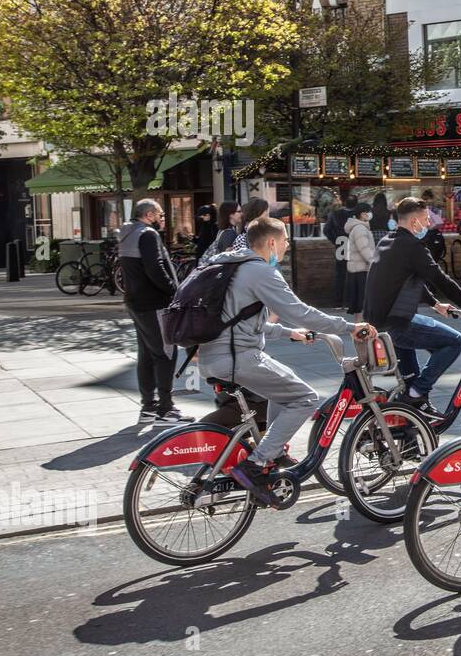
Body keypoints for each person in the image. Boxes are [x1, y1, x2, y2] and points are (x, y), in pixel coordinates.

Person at [199, 217, 376, 505]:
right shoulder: (259, 270)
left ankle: (274, 452)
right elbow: (301, 311)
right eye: (283, 242)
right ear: (271, 242)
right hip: (237, 357)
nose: (285, 248)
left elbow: (242, 323)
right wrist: (348, 327)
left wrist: (288, 333)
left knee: (282, 382)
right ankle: (255, 465)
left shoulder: (228, 264)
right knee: (306, 397)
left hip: (215, 355)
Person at [364, 197, 461, 418]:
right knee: (455, 341)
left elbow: (408, 279)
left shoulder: (388, 241)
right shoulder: (412, 247)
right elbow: (440, 279)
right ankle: (417, 393)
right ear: (414, 222)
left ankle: (411, 415)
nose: (428, 224)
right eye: (425, 219)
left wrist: (434, 303)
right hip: (397, 323)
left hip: (381, 322)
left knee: (410, 383)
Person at [119, 199, 187, 424]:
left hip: (136, 302)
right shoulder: (147, 234)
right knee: (166, 353)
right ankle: (166, 409)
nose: (162, 218)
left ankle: (148, 407)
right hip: (154, 303)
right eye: (160, 214)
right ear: (149, 215)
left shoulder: (128, 233)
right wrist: (174, 292)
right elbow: (155, 267)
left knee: (147, 354)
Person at [343, 202, 376, 323]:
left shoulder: (358, 227)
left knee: (360, 306)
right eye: (369, 211)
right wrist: (375, 262)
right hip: (361, 271)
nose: (371, 214)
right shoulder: (360, 229)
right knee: (362, 305)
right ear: (363, 214)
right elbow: (364, 249)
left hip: (358, 270)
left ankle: (360, 330)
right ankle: (361, 332)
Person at [323, 193, 357, 306]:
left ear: (343, 203)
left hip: (341, 245)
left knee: (340, 274)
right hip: (355, 246)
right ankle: (350, 301)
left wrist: (336, 240)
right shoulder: (359, 215)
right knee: (354, 274)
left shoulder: (335, 214)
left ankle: (338, 302)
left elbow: (327, 230)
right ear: (356, 203)